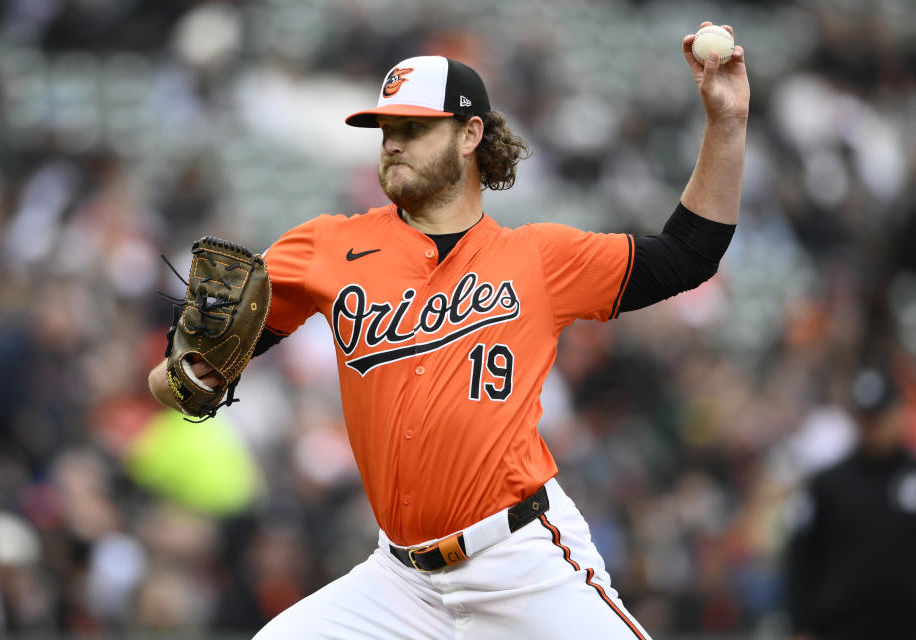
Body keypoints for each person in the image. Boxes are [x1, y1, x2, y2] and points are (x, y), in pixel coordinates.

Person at [148, 21, 749, 639]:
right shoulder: (327, 247)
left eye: (414, 128)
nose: (393, 143)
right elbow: (177, 383)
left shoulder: (538, 258)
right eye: (386, 130)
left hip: (520, 563)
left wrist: (725, 124)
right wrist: (187, 373)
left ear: (469, 134)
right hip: (400, 581)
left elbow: (689, 253)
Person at [784, 368, 916, 640]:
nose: (874, 427)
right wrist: (800, 623)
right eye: (867, 418)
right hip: (842, 624)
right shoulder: (828, 484)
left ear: (897, 413)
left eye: (880, 416)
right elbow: (802, 556)